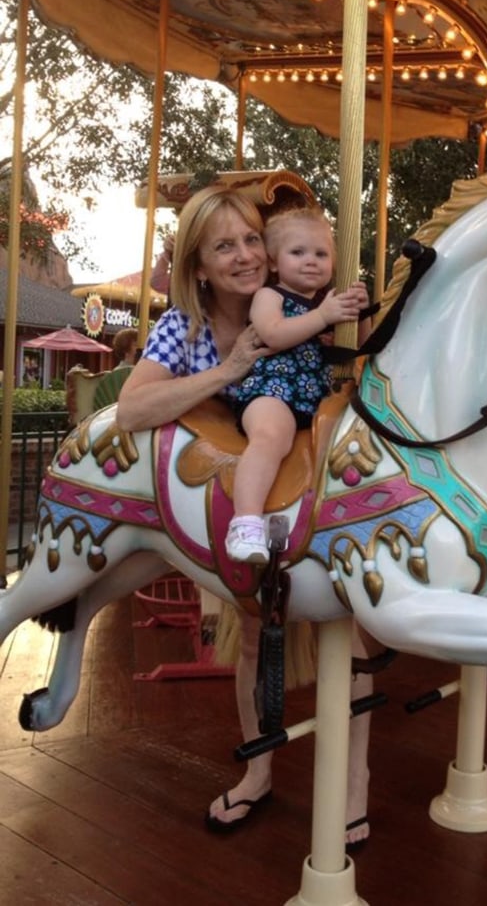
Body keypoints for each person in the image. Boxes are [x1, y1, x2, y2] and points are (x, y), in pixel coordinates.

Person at [117, 184, 372, 847]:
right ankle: (257, 772)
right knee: (256, 638)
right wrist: (227, 370)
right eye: (224, 245)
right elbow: (132, 409)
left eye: (251, 239)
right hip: (250, 469)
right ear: (199, 265)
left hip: (312, 460)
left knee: (354, 631)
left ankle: (354, 786)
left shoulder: (306, 293)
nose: (244, 254)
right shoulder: (185, 325)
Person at [225, 206, 368, 563]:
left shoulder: (326, 302)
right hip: (271, 388)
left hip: (314, 395)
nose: (311, 262)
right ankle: (245, 521)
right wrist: (323, 316)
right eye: (298, 252)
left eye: (321, 254)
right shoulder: (270, 296)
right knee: (272, 436)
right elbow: (272, 334)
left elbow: (360, 347)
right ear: (273, 262)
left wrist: (360, 313)